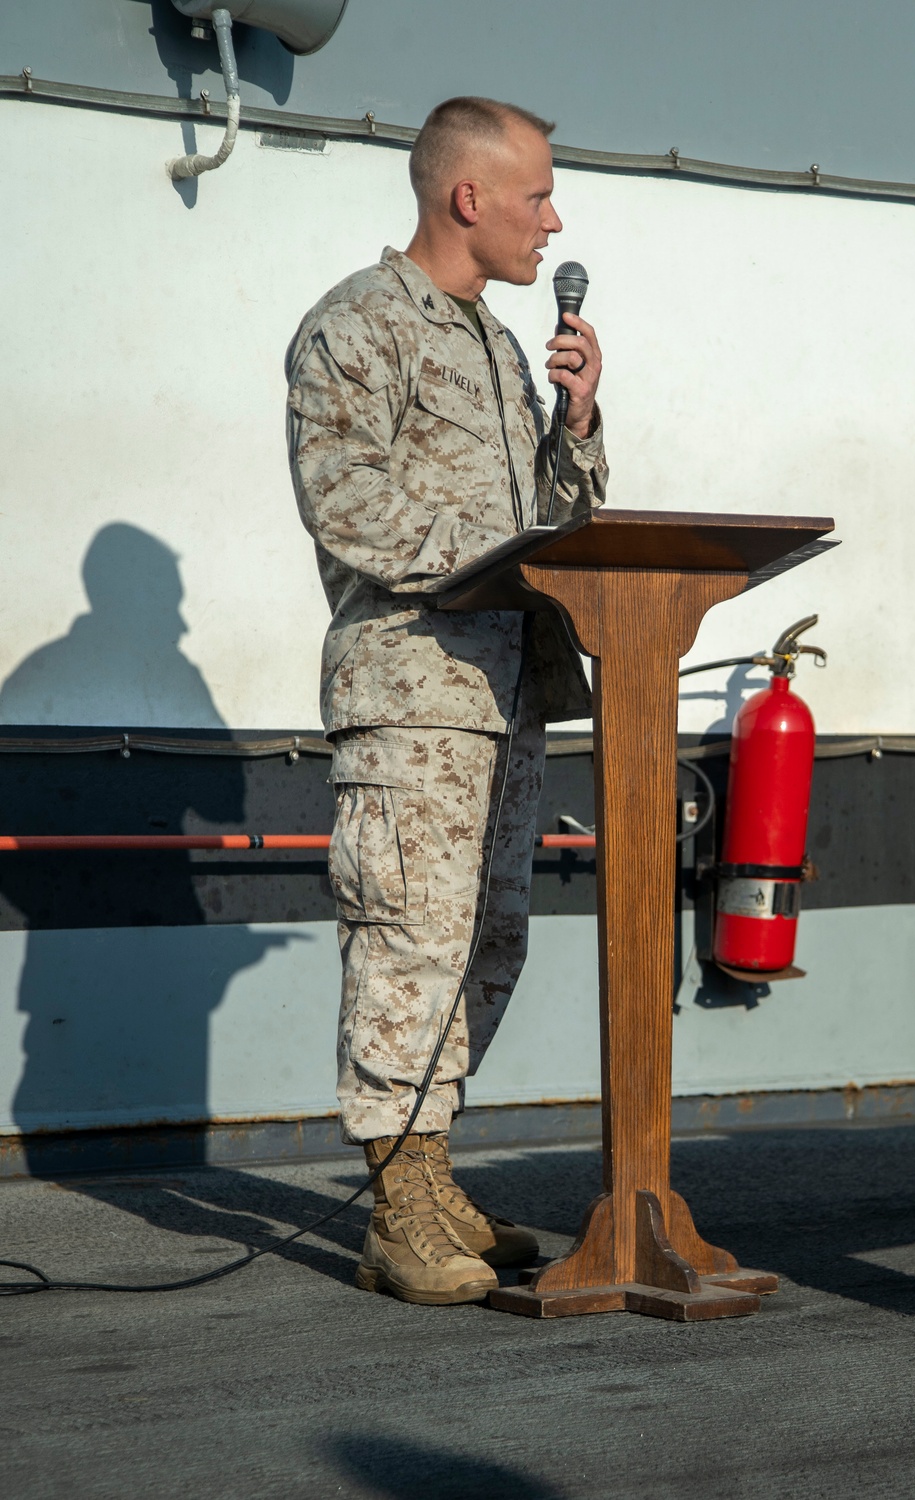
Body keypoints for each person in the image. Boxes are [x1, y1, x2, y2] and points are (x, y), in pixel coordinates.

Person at [285, 96, 608, 1306]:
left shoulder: (500, 345)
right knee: (408, 939)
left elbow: (558, 521)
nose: (553, 219)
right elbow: (350, 507)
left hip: (508, 690)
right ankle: (397, 1202)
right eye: (536, 194)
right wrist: (505, 551)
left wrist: (574, 423)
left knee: (488, 940)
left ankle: (434, 1164)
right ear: (467, 197)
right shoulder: (356, 328)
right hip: (415, 694)